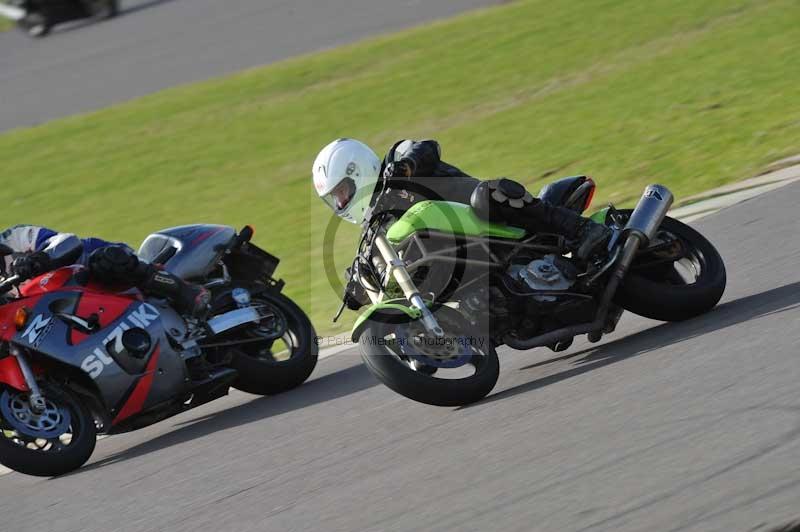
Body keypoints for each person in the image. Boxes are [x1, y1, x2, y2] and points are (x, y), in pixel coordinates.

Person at [312, 138, 612, 309]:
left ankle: (585, 230)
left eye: (342, 192)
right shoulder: (377, 227)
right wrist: (357, 285)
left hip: (489, 218)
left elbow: (427, 148)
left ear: (358, 170)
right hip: (472, 262)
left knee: (490, 193)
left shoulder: (397, 159)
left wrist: (405, 167)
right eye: (334, 199)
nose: (341, 203)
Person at [0, 224, 210, 317]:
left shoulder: (14, 237)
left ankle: (186, 292)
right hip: (68, 308)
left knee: (105, 261)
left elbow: (67, 241)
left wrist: (40, 258)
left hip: (94, 272)